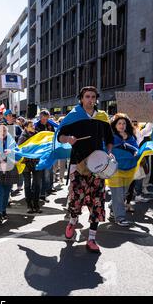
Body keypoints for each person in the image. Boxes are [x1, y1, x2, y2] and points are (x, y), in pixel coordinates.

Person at [58, 86, 114, 253]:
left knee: (97, 202)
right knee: (76, 199)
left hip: (98, 166)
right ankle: (73, 221)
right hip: (78, 164)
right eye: (87, 96)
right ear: (81, 99)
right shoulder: (73, 116)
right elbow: (60, 136)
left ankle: (91, 239)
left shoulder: (103, 117)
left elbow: (110, 140)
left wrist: (109, 154)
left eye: (93, 96)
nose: (90, 99)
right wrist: (68, 138)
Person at [108, 114, 138, 227]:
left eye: (124, 123)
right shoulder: (110, 137)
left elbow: (136, 148)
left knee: (123, 193)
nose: (122, 125)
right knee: (118, 195)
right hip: (114, 169)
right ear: (115, 125)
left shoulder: (131, 137)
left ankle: (112, 208)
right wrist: (108, 154)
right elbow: (105, 148)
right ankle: (120, 218)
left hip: (129, 168)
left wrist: (136, 152)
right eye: (119, 123)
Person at [18, 120, 43, 214]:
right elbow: (20, 148)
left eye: (33, 126)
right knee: (27, 184)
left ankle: (36, 204)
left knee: (37, 184)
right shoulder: (22, 137)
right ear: (25, 127)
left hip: (37, 163)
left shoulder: (38, 136)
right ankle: (29, 205)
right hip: (26, 163)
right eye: (31, 126)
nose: (33, 127)